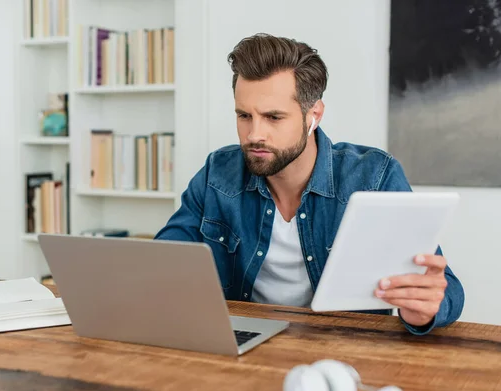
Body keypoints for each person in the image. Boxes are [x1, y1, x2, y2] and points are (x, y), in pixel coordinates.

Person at [154, 33, 464, 335]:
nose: (254, 134)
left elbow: (445, 290)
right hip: (241, 347)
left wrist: (425, 310)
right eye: (244, 115)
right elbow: (161, 261)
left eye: (273, 117)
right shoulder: (216, 174)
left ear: (313, 115)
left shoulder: (374, 177)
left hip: (342, 355)